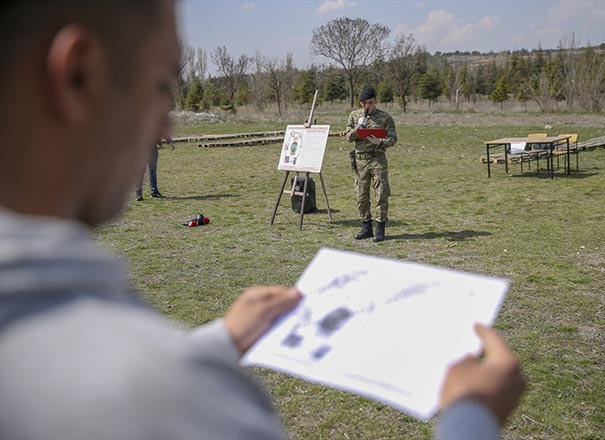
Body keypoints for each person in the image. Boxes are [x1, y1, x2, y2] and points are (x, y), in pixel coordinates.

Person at [0, 1, 525, 439]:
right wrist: (470, 417)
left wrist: (215, 342)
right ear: (78, 76)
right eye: (162, 85)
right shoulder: (167, 401)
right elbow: (152, 392)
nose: (166, 129)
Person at [346, 86, 397, 242]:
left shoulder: (384, 117)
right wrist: (358, 127)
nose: (367, 106)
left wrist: (381, 142)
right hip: (360, 161)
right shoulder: (354, 116)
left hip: (377, 159)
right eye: (364, 103)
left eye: (370, 102)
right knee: (361, 195)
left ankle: (380, 228)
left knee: (381, 194)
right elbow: (348, 137)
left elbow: (393, 138)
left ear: (376, 101)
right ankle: (366, 227)